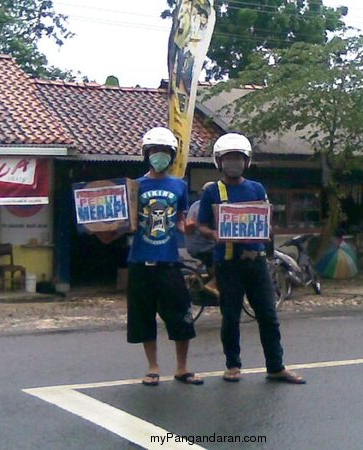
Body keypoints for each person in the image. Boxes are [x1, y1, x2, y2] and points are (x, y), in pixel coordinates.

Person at [197, 132, 305, 384]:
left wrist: (268, 239)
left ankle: (276, 366)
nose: (233, 162)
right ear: (219, 162)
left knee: (268, 314)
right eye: (228, 158)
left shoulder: (256, 188)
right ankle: (233, 365)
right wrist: (214, 233)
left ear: (246, 162)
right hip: (227, 262)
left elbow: (266, 220)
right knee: (231, 316)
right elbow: (202, 225)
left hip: (255, 261)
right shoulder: (213, 191)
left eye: (238, 158)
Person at [127, 126, 203, 387]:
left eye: (165, 152)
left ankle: (182, 368)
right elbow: (127, 221)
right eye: (155, 151)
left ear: (172, 156)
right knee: (143, 315)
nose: (160, 156)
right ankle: (153, 367)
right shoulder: (134, 186)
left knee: (180, 313)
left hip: (169, 262)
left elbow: (181, 221)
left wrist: (189, 228)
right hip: (140, 261)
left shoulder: (179, 186)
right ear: (146, 154)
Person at [185, 181, 218, 296]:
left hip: (192, 244)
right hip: (202, 246)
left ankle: (198, 277)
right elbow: (206, 232)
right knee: (225, 259)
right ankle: (213, 284)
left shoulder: (195, 204)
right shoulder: (208, 208)